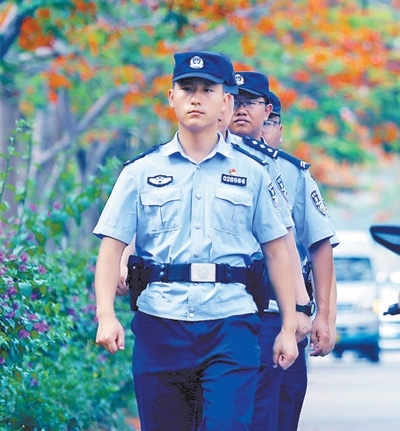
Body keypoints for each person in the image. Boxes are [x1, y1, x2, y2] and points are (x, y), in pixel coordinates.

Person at [93, 51, 298, 431]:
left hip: (231, 324)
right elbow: (111, 247)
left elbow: (277, 252)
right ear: (171, 97)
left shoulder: (253, 172)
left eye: (207, 90)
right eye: (187, 89)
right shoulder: (140, 171)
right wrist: (106, 314)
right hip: (160, 323)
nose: (196, 98)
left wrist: (288, 326)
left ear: (225, 101)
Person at [229, 72, 337, 431]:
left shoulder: (288, 171)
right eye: (234, 100)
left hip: (275, 311)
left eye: (249, 102)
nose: (240, 109)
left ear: (267, 112)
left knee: (275, 414)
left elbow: (318, 244)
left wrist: (322, 315)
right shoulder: (196, 162)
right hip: (217, 311)